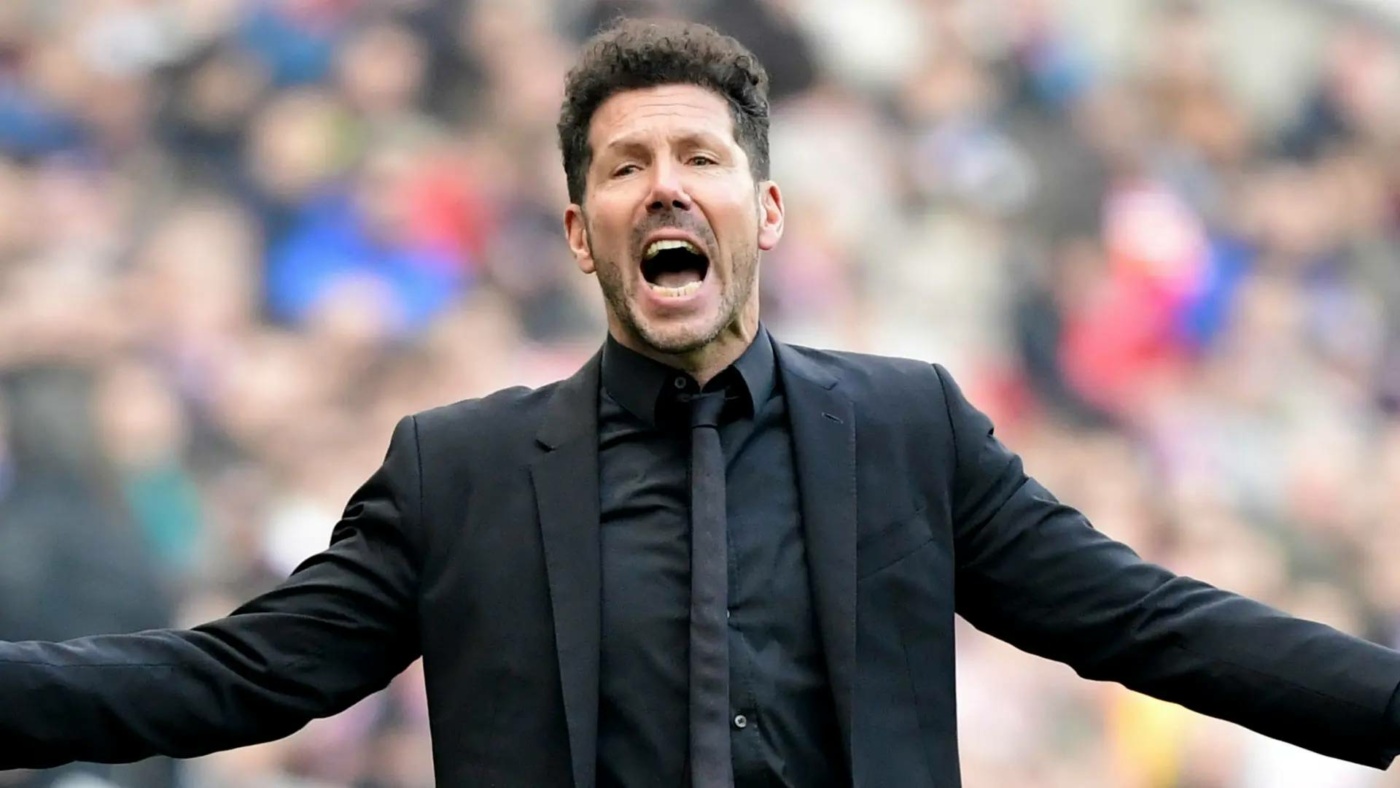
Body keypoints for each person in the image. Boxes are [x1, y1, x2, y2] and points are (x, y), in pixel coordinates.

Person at [2, 18, 1399, 788]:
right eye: (625, 166)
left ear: (765, 210)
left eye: (700, 157)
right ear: (579, 232)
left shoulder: (909, 431)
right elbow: (238, 677)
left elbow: (1145, 620)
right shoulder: (458, 471)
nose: (664, 184)